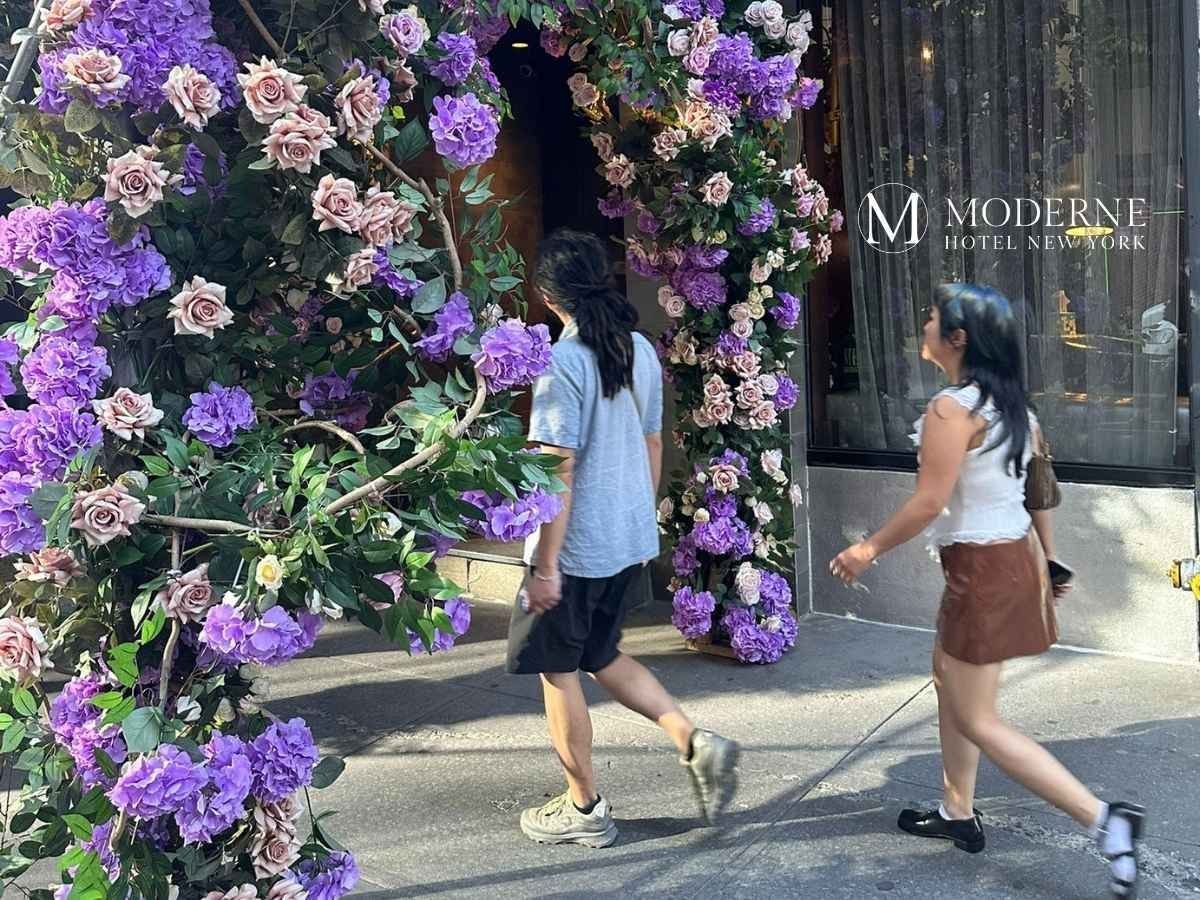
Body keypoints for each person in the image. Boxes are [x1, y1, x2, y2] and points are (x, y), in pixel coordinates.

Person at [829, 284, 1144, 898]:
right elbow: (1038, 493)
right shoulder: (1013, 407)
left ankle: (1106, 821)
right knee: (949, 681)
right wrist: (1048, 564)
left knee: (979, 718)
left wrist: (867, 549)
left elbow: (929, 502)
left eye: (932, 318)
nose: (923, 324)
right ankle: (957, 812)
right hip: (1006, 563)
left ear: (959, 338)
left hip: (983, 574)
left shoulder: (952, 410)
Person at [508, 228, 739, 848]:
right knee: (600, 654)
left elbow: (558, 465)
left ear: (550, 296)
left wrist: (546, 565)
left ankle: (583, 811)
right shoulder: (637, 347)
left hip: (575, 549)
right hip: (625, 536)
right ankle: (694, 742)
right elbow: (653, 441)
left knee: (558, 671)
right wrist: (641, 515)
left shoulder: (561, 362)